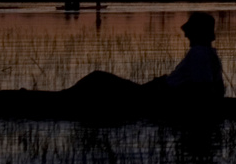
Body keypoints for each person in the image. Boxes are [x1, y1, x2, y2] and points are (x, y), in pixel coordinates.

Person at [66, 11, 224, 104]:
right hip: (155, 91)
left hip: (154, 95)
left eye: (189, 32)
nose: (186, 35)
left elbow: (202, 90)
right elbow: (214, 88)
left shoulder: (199, 53)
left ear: (197, 32)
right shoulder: (209, 53)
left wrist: (170, 96)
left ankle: (63, 99)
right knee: (99, 81)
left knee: (98, 78)